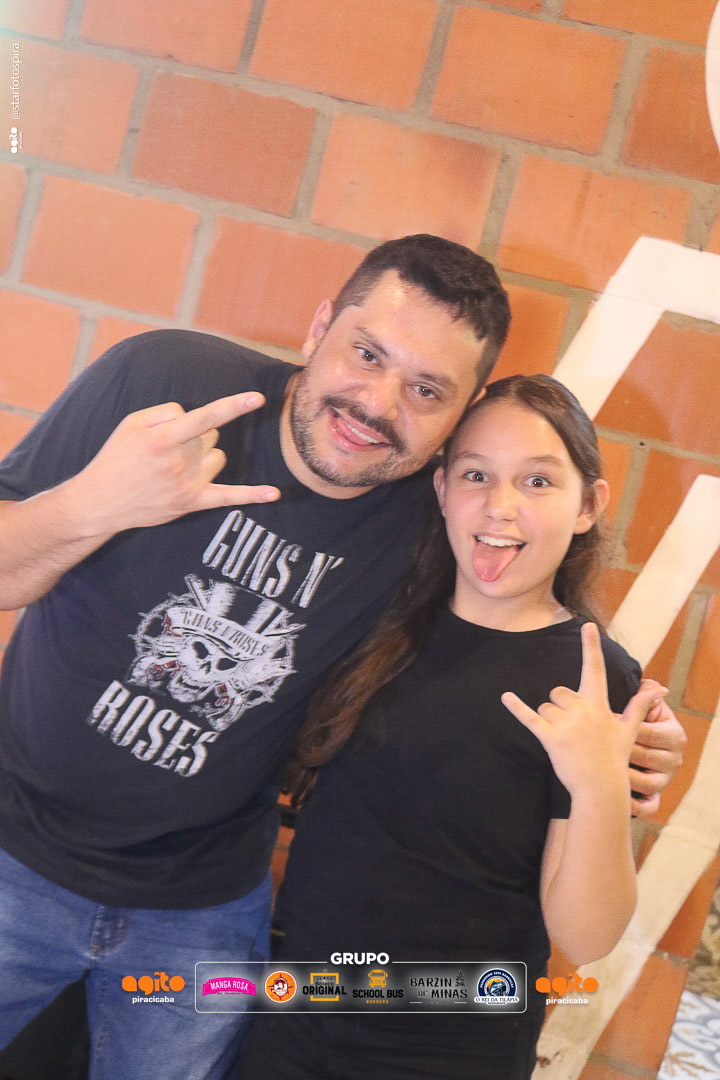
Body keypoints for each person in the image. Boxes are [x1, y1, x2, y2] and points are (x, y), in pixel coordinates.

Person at [0, 236, 683, 1079]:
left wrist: (627, 756)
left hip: (202, 911)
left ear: (453, 420)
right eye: (367, 353)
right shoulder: (167, 389)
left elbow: (514, 655)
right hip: (14, 853)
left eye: (426, 390)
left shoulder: (431, 523)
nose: (377, 403)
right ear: (320, 326)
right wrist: (93, 504)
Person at [238, 374, 672, 1080]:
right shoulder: (374, 618)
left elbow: (587, 936)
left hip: (453, 1048)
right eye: (476, 475)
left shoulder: (595, 677)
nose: (500, 505)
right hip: (297, 1022)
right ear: (441, 489)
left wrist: (597, 784)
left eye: (538, 482)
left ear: (588, 506)